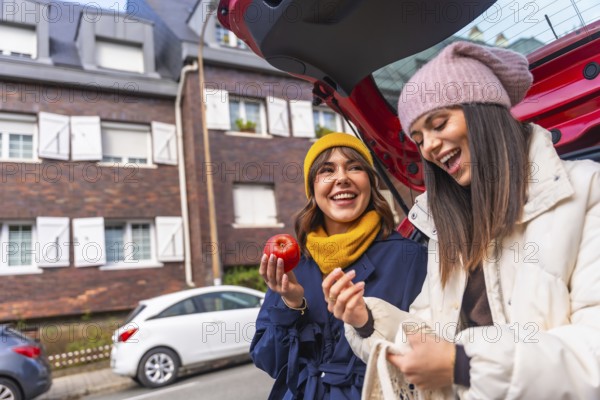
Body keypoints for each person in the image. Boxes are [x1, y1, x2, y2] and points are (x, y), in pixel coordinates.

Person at [327, 41, 600, 399]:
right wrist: (366, 321)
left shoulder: (586, 190)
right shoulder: (448, 229)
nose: (428, 147)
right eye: (419, 139)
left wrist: (465, 365)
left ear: (484, 112)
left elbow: (592, 353)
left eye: (438, 124)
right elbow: (429, 333)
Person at [250, 133, 427, 399]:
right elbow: (269, 361)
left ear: (370, 182)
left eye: (355, 167)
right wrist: (291, 306)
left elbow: (427, 352)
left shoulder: (409, 257)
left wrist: (366, 323)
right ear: (313, 189)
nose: (342, 178)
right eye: (327, 170)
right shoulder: (295, 263)